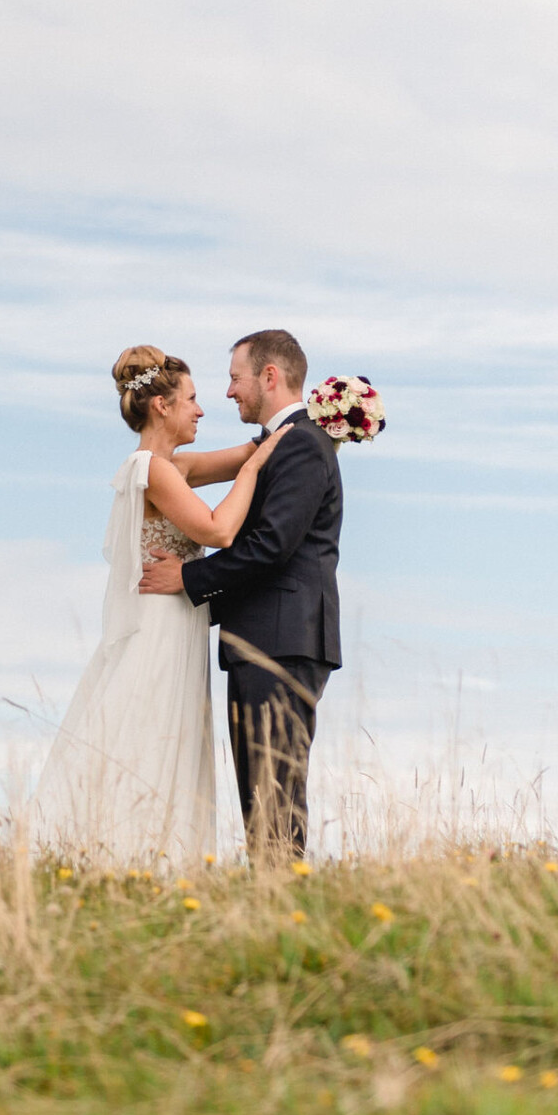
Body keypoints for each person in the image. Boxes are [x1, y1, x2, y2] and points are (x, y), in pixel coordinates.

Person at [32, 347, 286, 864]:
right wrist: (256, 469)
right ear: (161, 407)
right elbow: (218, 529)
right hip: (160, 624)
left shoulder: (175, 466)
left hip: (178, 618)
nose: (201, 410)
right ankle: (131, 853)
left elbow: (246, 448)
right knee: (150, 727)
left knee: (169, 730)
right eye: (191, 399)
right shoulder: (152, 469)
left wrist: (319, 416)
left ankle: (155, 855)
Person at [139, 329, 342, 860]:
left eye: (235, 378)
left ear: (269, 377)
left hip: (282, 640)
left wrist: (187, 581)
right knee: (262, 786)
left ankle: (280, 897)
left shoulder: (299, 441)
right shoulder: (283, 439)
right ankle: (272, 896)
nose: (228, 393)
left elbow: (271, 545)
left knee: (273, 784)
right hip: (266, 636)